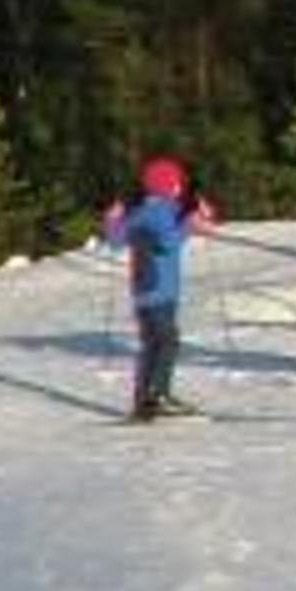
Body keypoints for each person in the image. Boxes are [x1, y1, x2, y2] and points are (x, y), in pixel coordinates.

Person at [100, 155, 213, 420]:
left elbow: (116, 241)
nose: (180, 188)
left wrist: (111, 220)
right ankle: (158, 395)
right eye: (177, 183)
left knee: (151, 345)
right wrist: (192, 223)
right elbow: (170, 243)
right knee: (168, 342)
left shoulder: (138, 213)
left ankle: (144, 400)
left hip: (141, 292)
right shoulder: (167, 211)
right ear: (171, 185)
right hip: (162, 291)